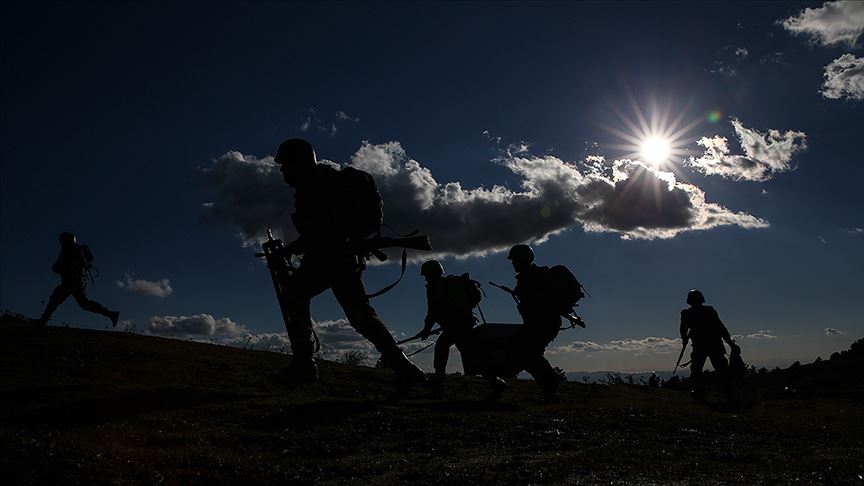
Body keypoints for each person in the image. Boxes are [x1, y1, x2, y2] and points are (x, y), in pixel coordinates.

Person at [271, 138, 425, 400]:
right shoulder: (324, 182)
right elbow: (323, 228)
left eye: (286, 165)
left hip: (329, 257)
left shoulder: (316, 186)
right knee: (361, 316)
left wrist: (296, 246)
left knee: (294, 296)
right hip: (341, 257)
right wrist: (298, 246)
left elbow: (325, 228)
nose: (284, 172)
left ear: (299, 162)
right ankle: (404, 367)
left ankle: (304, 365)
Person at [417, 260, 508, 398]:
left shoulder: (435, 288)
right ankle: (496, 382)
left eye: (426, 275)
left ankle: (438, 382)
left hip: (457, 325)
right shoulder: (445, 285)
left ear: (431, 274)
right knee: (468, 353)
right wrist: (428, 328)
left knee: (444, 346)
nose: (426, 278)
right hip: (462, 324)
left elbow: (433, 311)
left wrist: (426, 329)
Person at [506, 244, 567, 403]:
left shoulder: (530, 277)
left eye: (514, 261)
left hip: (542, 323)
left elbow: (536, 302)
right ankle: (551, 387)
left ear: (522, 260)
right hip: (543, 322)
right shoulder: (533, 275)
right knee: (528, 353)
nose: (513, 264)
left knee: (526, 353)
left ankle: (551, 384)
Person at [31, 232, 119, 327]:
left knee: (55, 299)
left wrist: (64, 269)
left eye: (62, 241)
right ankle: (111, 314)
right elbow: (56, 267)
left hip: (73, 281)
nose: (61, 243)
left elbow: (58, 267)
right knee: (84, 304)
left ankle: (43, 321)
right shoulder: (71, 251)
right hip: (77, 281)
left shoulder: (72, 251)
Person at [679, 289, 739, 401]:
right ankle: (728, 394)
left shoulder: (688, 313)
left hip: (705, 345)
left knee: (701, 370)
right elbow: (721, 328)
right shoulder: (707, 311)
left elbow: (683, 330)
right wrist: (730, 344)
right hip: (711, 345)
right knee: (718, 370)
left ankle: (700, 394)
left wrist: (685, 339)